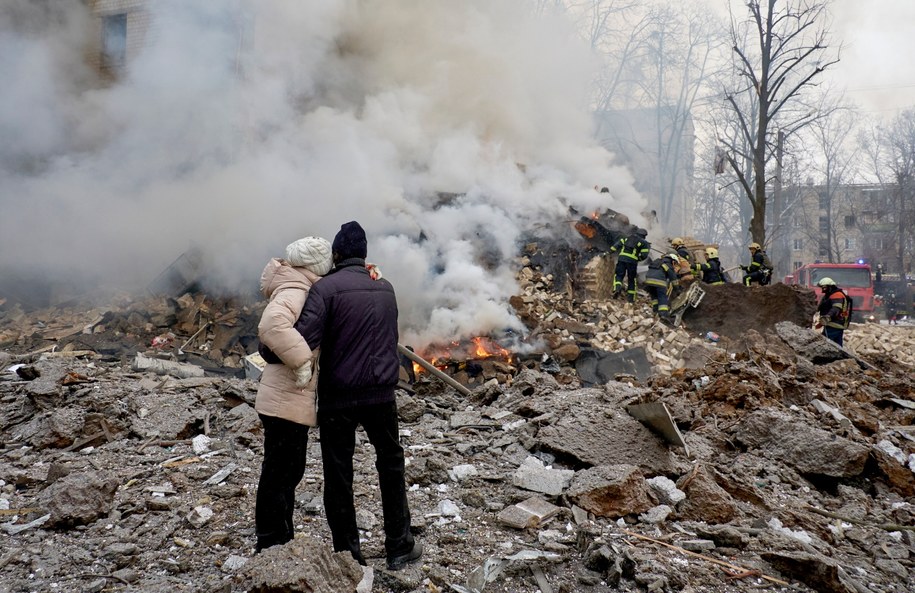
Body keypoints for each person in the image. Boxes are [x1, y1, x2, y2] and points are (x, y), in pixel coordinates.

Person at [295, 221, 421, 571]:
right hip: (381, 393)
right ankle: (399, 545)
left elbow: (305, 340)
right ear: (364, 254)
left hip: (339, 396)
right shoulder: (385, 287)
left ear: (336, 254)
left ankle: (349, 556)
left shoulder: (325, 289)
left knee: (339, 475)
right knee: (391, 463)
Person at [254, 236, 333, 552]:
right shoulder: (295, 290)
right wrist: (301, 360)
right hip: (283, 398)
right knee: (280, 471)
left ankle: (279, 536)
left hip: (286, 398)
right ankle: (270, 541)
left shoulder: (298, 287)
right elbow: (271, 325)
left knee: (287, 469)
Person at [609, 227, 650, 302]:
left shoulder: (626, 238)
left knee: (619, 275)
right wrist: (638, 259)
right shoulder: (644, 243)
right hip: (632, 262)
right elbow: (644, 255)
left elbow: (616, 246)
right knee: (631, 279)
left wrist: (609, 252)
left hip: (622, 259)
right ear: (644, 235)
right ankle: (630, 299)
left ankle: (617, 289)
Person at [815, 277, 852, 346]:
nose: (823, 290)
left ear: (830, 287)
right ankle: (840, 356)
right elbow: (821, 307)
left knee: (826, 344)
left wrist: (828, 316)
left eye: (824, 288)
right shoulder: (830, 295)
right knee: (837, 345)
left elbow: (836, 308)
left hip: (834, 324)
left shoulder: (837, 295)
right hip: (836, 324)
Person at [644, 253, 681, 322]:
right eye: (675, 263)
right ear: (672, 260)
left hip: (648, 281)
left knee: (655, 296)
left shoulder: (657, 261)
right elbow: (673, 278)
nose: (674, 265)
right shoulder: (668, 264)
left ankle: (655, 311)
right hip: (659, 281)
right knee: (662, 297)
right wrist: (677, 289)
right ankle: (663, 315)